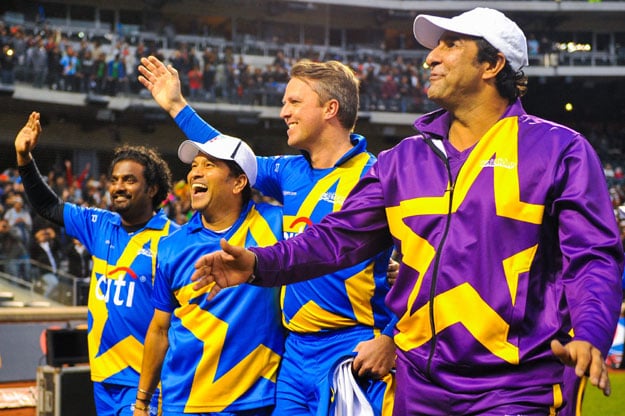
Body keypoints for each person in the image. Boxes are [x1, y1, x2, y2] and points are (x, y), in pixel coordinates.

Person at [189, 8, 624, 416]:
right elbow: (336, 238)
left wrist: (591, 331)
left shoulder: (558, 151)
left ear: (492, 66)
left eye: (451, 45)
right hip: (418, 387)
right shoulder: (402, 161)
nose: (431, 57)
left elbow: (593, 257)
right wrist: (259, 263)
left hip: (516, 386)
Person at [138, 56, 396, 415]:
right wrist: (177, 107)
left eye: (294, 102)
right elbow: (226, 155)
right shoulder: (287, 172)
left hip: (354, 348)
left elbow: (424, 262)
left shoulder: (378, 176)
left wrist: (391, 338)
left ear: (330, 109)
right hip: (295, 355)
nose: (283, 112)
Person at [15, 111, 179, 416]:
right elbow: (48, 205)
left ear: (152, 189)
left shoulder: (174, 240)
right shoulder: (99, 224)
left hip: (148, 384)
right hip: (102, 378)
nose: (118, 187)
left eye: (129, 180)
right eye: (114, 180)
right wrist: (24, 158)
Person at [133, 134, 284, 416]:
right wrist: (142, 402)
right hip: (183, 401)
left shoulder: (277, 225)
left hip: (253, 401)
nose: (195, 173)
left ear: (239, 182)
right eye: (194, 166)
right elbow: (159, 329)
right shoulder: (170, 246)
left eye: (209, 165)